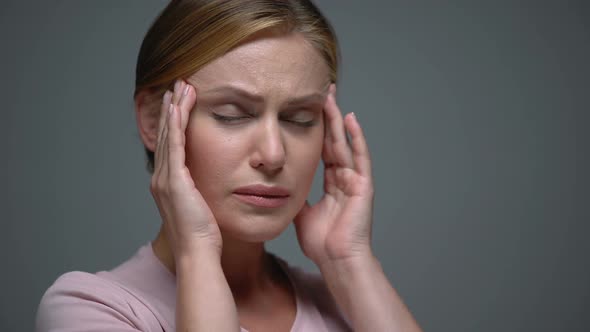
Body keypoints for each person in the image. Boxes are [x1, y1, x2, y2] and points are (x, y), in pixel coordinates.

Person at [36, 1, 422, 331]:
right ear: (155, 121)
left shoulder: (348, 304)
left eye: (299, 118)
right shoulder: (91, 308)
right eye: (231, 114)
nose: (273, 154)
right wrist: (198, 251)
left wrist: (348, 260)